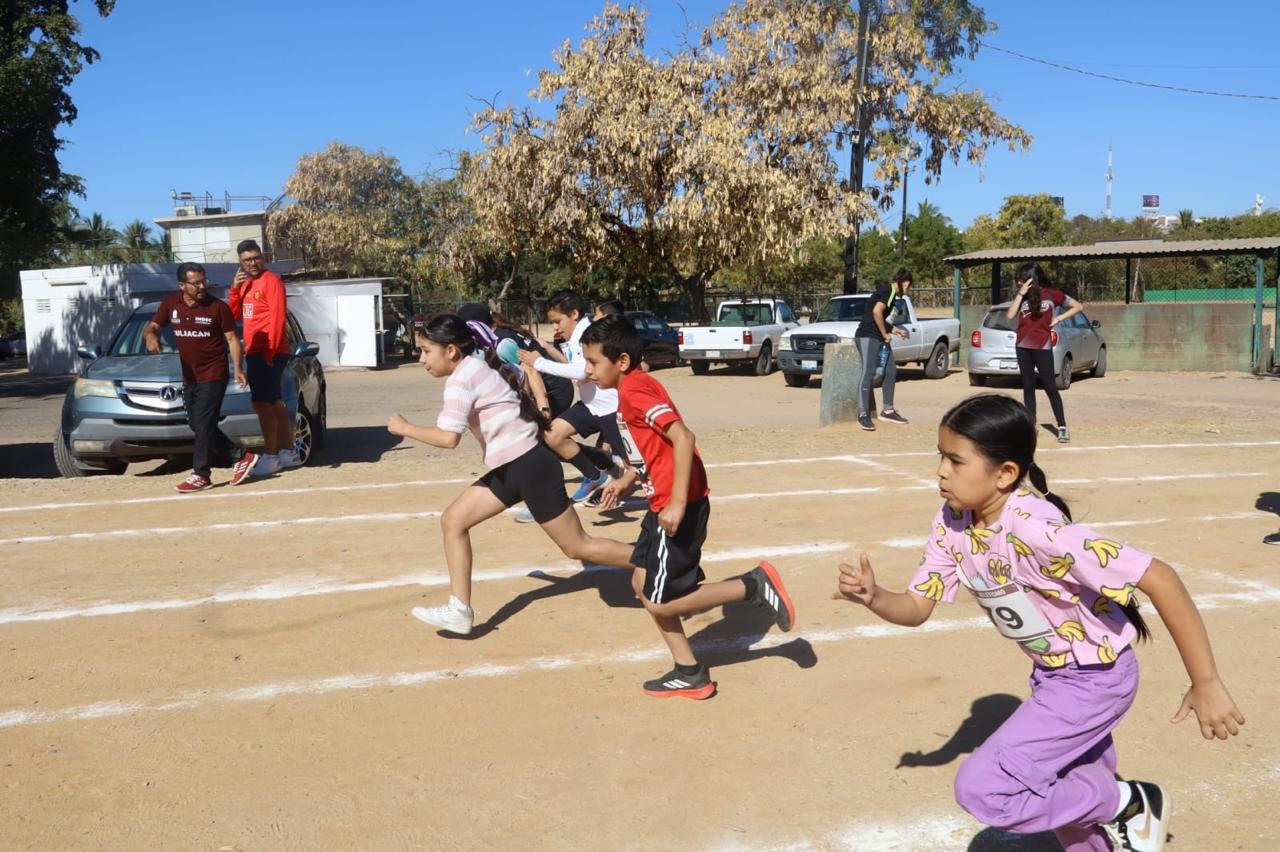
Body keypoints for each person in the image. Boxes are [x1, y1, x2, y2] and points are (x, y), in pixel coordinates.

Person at [833, 393, 1244, 851]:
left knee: (983, 789)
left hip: (1094, 680)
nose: (941, 471)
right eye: (940, 457)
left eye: (956, 460)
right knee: (1069, 806)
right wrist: (874, 597)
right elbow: (916, 606)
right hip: (1052, 677)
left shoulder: (1037, 529)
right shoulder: (953, 520)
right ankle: (1114, 819)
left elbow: (1160, 578)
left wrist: (1205, 681)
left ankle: (1124, 801)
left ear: (1005, 473)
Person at [582, 315, 795, 699]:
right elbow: (654, 449)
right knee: (640, 583)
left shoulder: (635, 391)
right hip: (661, 503)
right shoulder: (633, 387)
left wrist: (677, 503)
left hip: (675, 506)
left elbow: (682, 437)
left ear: (622, 362)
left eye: (594, 362)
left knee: (662, 603)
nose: (588, 370)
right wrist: (628, 480)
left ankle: (751, 585)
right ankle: (689, 671)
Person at [388, 314, 640, 636]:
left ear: (451, 351)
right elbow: (517, 382)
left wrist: (405, 428)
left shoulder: (462, 379)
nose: (422, 359)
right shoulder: (478, 366)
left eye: (426, 351)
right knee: (454, 520)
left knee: (579, 547)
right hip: (515, 466)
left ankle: (657, 561)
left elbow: (449, 438)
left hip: (528, 467)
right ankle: (460, 610)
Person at [143, 262, 247, 492]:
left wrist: (238, 368)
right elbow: (151, 327)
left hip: (214, 372)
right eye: (196, 283)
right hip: (190, 376)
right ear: (182, 285)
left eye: (204, 281)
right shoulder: (171, 304)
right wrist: (150, 336)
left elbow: (232, 339)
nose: (202, 286)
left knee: (203, 424)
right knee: (197, 424)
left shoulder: (217, 307)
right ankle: (241, 455)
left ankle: (201, 474)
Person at [517, 290, 624, 503]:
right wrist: (549, 349)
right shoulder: (577, 335)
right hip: (591, 406)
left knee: (636, 465)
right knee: (552, 434)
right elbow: (573, 366)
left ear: (574, 314)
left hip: (611, 409)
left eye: (558, 321)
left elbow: (582, 371)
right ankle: (595, 476)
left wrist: (539, 363)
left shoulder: (586, 333)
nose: (555, 327)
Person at [227, 239, 298, 484]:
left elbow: (277, 318)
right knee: (274, 402)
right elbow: (235, 315)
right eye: (247, 260)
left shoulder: (271, 281)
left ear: (263, 257)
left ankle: (270, 456)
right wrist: (235, 290)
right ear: (240, 262)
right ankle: (288, 451)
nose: (253, 263)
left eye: (256, 258)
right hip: (255, 351)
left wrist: (269, 353)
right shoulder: (246, 284)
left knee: (262, 404)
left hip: (268, 351)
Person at [1006, 262, 1083, 443]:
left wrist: (1058, 318)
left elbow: (1078, 307)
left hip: (1042, 346)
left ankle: (1062, 426)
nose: (1018, 282)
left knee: (1050, 386)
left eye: (1022, 279)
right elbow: (1009, 315)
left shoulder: (1053, 294)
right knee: (1028, 386)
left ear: (1032, 278)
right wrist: (1020, 293)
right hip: (1022, 346)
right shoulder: (1023, 296)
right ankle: (1030, 426)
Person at [854, 267, 912, 432]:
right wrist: (885, 334)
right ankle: (863, 414)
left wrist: (895, 330)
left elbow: (883, 319)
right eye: (909, 287)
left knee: (890, 370)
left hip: (879, 337)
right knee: (868, 373)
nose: (908, 291)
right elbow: (876, 312)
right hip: (867, 336)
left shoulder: (892, 296)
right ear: (905, 283)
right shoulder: (888, 291)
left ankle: (888, 411)